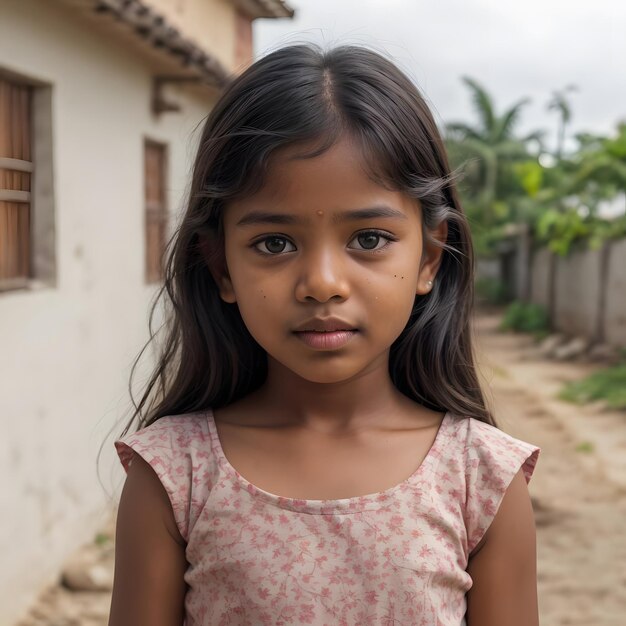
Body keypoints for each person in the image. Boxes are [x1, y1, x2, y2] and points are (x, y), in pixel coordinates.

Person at [108, 43, 540, 626]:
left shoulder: (479, 480)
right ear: (221, 266)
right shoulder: (176, 476)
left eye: (367, 239)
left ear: (430, 256)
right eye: (274, 244)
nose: (322, 284)